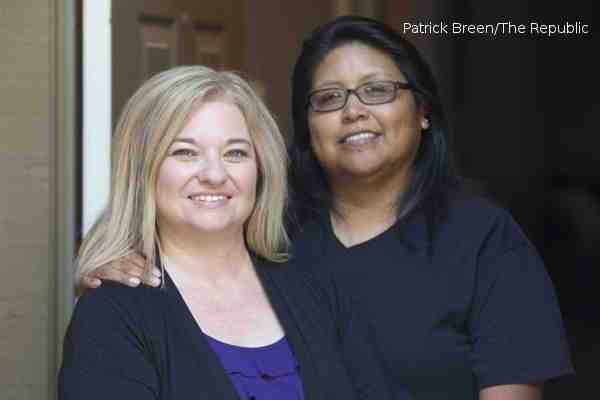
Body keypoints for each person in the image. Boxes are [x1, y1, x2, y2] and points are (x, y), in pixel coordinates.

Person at [79, 16, 574, 400]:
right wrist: (116, 263)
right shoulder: (272, 229)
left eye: (377, 90)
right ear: (308, 127)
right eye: (329, 98)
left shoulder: (483, 239)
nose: (353, 111)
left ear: (423, 110)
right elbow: (179, 229)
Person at [59, 65, 404, 400]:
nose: (214, 174)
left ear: (260, 168)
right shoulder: (113, 312)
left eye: (235, 153)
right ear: (142, 170)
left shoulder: (315, 284)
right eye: (185, 152)